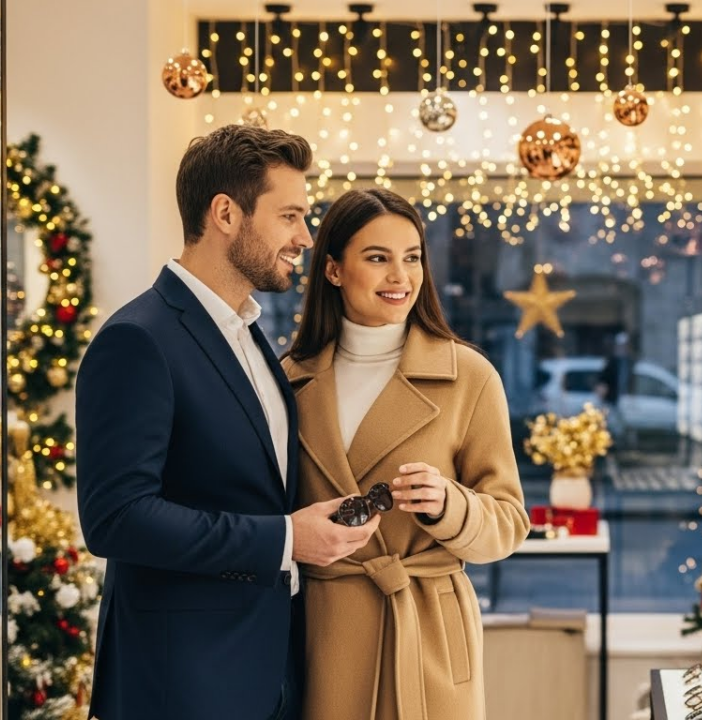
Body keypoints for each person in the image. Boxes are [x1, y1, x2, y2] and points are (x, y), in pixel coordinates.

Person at [76, 125, 380, 720]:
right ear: (225, 213)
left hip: (267, 675)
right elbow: (115, 518)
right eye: (290, 215)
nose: (306, 236)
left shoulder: (252, 337)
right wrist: (288, 539)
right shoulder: (138, 339)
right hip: (179, 685)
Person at [283, 188, 528, 720]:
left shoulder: (469, 376)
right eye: (377, 258)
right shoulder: (289, 381)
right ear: (332, 270)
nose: (401, 276)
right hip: (323, 632)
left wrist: (448, 505)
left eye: (412, 257)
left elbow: (509, 522)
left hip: (427, 631)